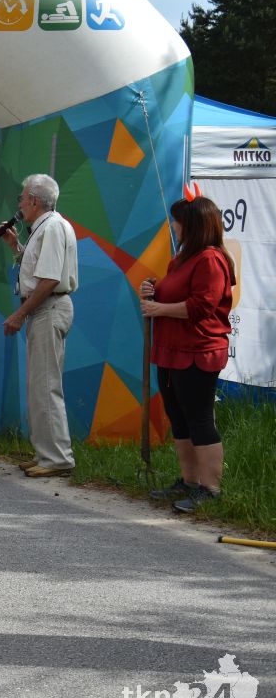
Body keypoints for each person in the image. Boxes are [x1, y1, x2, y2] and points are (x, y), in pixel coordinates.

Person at [140, 191, 235, 513]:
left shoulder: (210, 259)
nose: (174, 226)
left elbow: (201, 306)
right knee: (178, 418)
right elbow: (173, 293)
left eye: (178, 222)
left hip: (197, 349)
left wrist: (159, 307)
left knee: (198, 418)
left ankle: (211, 488)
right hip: (172, 349)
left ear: (191, 225)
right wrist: (153, 290)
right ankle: (189, 480)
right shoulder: (182, 258)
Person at [1, 173, 78, 478]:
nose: (19, 202)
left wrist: (19, 315)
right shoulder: (44, 228)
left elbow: (49, 280)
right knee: (40, 386)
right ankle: (46, 454)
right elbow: (38, 270)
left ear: (33, 200)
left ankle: (57, 458)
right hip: (43, 309)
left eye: (22, 197)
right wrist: (15, 245)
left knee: (46, 387)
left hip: (49, 307)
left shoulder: (54, 226)